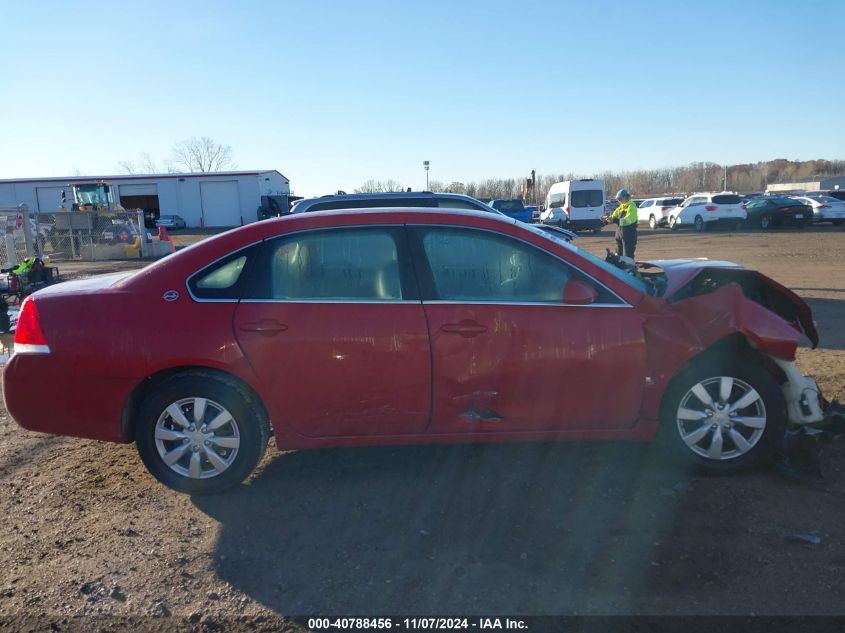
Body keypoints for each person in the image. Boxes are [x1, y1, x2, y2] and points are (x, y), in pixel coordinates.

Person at [608, 189, 638, 259]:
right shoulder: (621, 207)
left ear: (626, 197)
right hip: (620, 234)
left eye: (620, 198)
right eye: (618, 199)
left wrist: (615, 220)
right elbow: (613, 216)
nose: (619, 200)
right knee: (619, 254)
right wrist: (607, 220)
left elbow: (629, 220)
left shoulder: (631, 206)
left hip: (628, 234)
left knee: (627, 255)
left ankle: (628, 268)